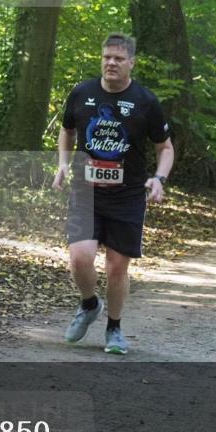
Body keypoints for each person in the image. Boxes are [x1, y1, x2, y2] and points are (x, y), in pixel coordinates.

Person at [52, 33, 174, 355]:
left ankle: (114, 328)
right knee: (80, 258)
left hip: (127, 196)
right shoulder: (82, 93)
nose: (111, 63)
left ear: (131, 62)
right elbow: (67, 130)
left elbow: (165, 148)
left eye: (119, 58)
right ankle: (89, 304)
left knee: (117, 267)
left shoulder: (146, 101)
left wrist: (159, 178)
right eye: (107, 57)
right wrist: (63, 164)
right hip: (86, 192)